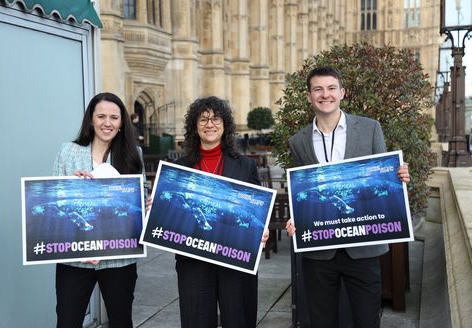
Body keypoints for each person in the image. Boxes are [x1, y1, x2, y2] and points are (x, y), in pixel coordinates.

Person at [285, 66, 410, 328]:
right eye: (318, 89)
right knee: (321, 321)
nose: (325, 94)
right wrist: (293, 219)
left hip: (363, 249)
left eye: (331, 88)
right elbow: (303, 193)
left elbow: (384, 180)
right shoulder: (298, 141)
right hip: (319, 251)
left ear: (342, 92)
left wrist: (399, 177)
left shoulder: (370, 129)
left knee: (367, 320)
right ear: (309, 96)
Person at [173, 96, 269, 328]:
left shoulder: (245, 165)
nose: (209, 124)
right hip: (193, 258)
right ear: (194, 126)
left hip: (235, 258)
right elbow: (175, 208)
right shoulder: (180, 167)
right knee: (196, 319)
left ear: (225, 125)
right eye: (203, 119)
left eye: (216, 119)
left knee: (238, 319)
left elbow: (256, 209)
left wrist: (261, 228)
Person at [52, 92, 145, 328]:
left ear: (122, 122)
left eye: (114, 117)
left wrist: (145, 203)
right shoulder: (68, 152)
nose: (107, 123)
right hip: (75, 257)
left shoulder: (134, 154)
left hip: (118, 258)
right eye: (101, 116)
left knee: (121, 321)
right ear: (91, 120)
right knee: (67, 321)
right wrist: (72, 186)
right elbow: (56, 198)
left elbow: (138, 201)